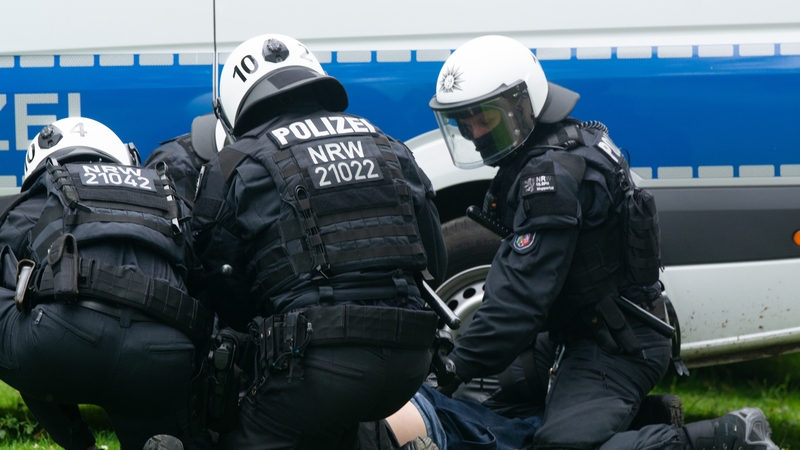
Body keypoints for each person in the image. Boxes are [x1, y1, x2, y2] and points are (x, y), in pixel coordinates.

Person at [427, 35, 779, 450]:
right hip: (575, 332)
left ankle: (723, 439)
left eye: (484, 119)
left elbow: (519, 300)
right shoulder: (565, 143)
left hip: (617, 343)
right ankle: (639, 417)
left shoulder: (552, 177)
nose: (474, 133)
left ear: (523, 105)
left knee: (560, 446)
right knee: (489, 397)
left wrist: (452, 364)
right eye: (463, 122)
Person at [191, 34, 448, 449]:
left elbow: (220, 287)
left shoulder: (235, 163)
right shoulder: (389, 145)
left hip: (315, 363)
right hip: (411, 360)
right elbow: (437, 258)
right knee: (332, 423)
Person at [0, 117, 214, 450]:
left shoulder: (44, 192)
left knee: (20, 308)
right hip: (164, 352)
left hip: (63, 342)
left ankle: (80, 444)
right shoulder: (165, 194)